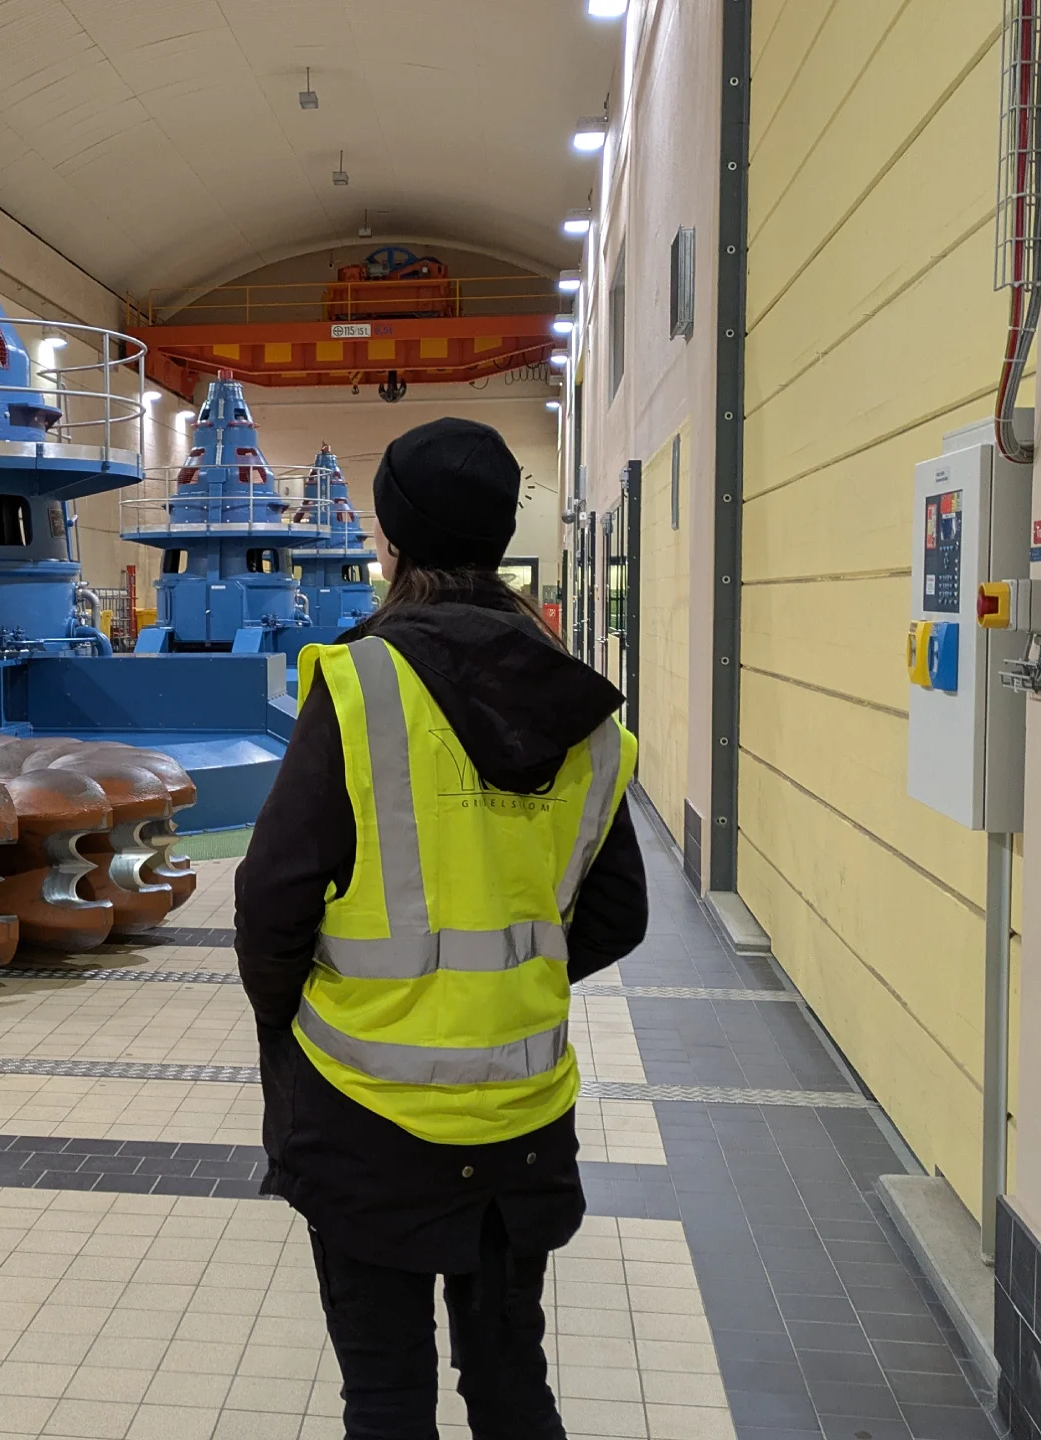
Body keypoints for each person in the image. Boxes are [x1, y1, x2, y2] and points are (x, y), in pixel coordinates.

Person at [236, 417, 648, 1440]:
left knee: (386, 1398)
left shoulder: (362, 686)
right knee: (511, 1384)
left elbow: (272, 900)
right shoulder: (585, 718)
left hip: (364, 1109)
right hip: (521, 1111)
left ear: (391, 539)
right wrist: (506, 978)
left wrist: (300, 1016)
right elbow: (617, 915)